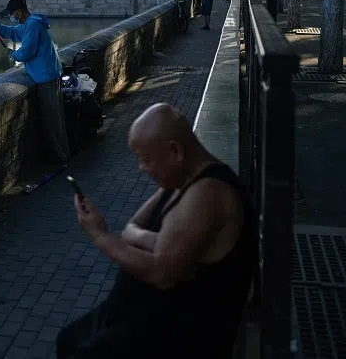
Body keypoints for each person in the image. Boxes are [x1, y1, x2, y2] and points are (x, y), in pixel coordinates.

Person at [57, 104, 256, 359]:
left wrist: (100, 235)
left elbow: (160, 272)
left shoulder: (207, 196)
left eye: (146, 159)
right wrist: (158, 242)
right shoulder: (177, 179)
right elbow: (131, 229)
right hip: (142, 319)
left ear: (175, 150)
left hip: (179, 338)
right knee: (69, 339)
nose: (141, 168)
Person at [0, 0, 71, 166]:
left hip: (46, 76)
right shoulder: (28, 24)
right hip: (47, 74)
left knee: (52, 119)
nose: (11, 16)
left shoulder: (33, 24)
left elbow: (27, 51)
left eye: (12, 13)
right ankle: (60, 155)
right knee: (54, 118)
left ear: (19, 11)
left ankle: (60, 158)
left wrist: (12, 55)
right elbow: (14, 33)